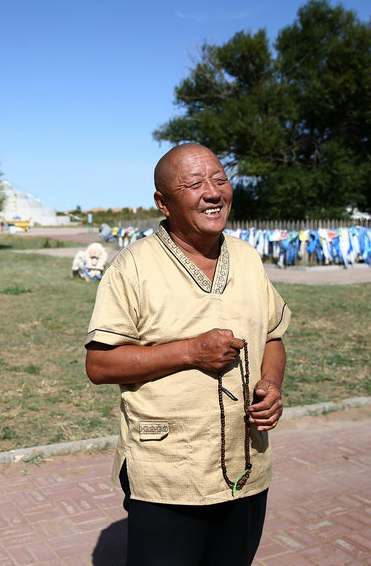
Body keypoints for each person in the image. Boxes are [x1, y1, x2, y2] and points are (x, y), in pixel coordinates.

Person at [84, 143, 290, 565]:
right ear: (163, 203)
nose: (212, 193)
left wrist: (271, 384)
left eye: (219, 179)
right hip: (167, 474)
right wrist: (191, 351)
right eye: (194, 184)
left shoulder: (248, 258)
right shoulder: (133, 266)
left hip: (244, 465)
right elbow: (99, 364)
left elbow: (273, 336)